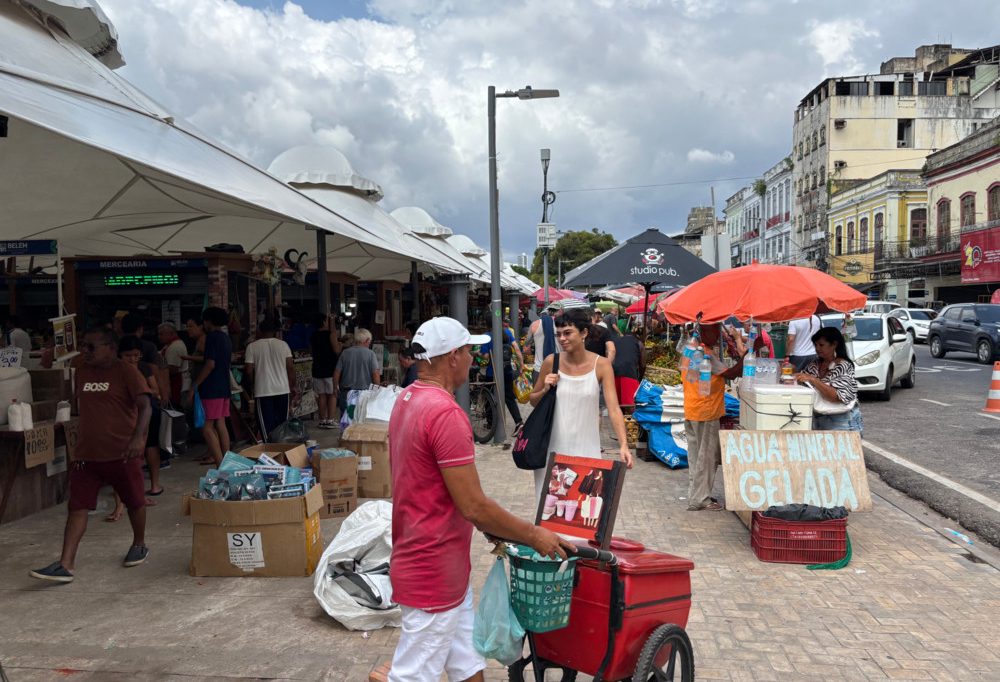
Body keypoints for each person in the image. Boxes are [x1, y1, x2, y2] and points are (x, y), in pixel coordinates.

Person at [385, 316, 569, 682]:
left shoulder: (407, 398)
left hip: (435, 563)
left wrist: (491, 528)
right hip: (432, 569)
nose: (474, 358)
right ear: (452, 356)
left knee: (468, 665)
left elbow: (439, 489)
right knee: (412, 675)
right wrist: (533, 535)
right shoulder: (445, 412)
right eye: (470, 350)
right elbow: (474, 505)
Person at [29, 326, 152, 583]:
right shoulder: (82, 372)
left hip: (122, 453)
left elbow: (145, 406)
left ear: (111, 348)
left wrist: (139, 438)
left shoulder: (126, 372)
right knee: (77, 506)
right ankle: (66, 564)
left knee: (135, 502)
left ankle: (139, 543)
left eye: (91, 346)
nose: (85, 351)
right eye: (83, 345)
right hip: (86, 454)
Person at [529, 308, 633, 501]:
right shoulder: (551, 362)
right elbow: (533, 400)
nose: (562, 339)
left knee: (581, 509)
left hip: (587, 449)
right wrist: (544, 388)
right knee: (548, 513)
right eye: (558, 334)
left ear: (584, 333)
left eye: (568, 333)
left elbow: (613, 408)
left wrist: (624, 445)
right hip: (552, 450)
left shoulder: (601, 365)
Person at [683, 323, 746, 511]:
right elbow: (733, 373)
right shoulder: (706, 355)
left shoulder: (690, 349)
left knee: (696, 457)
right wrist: (747, 354)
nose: (717, 334)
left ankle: (695, 495)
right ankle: (700, 499)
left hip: (692, 409)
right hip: (706, 411)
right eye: (714, 330)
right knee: (706, 458)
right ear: (705, 331)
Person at [111, 336, 164, 519]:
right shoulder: (115, 371)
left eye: (136, 355)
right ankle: (118, 505)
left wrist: (141, 389)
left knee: (139, 459)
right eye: (128, 356)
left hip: (142, 419)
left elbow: (156, 391)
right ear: (119, 355)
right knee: (120, 461)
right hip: (123, 420)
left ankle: (138, 496)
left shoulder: (143, 368)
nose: (132, 359)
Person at [795, 327, 863, 434]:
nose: (817, 348)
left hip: (842, 421)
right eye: (816, 345)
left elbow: (836, 397)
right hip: (819, 418)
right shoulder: (815, 364)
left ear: (834, 344)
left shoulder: (843, 366)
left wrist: (814, 380)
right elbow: (803, 381)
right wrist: (794, 372)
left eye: (821, 345)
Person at [244, 318, 296, 439]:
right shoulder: (283, 345)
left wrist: (253, 384)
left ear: (260, 331)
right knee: (282, 426)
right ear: (275, 331)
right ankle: (280, 452)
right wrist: (292, 386)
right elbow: (290, 368)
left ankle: (270, 453)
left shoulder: (252, 347)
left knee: (265, 427)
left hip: (263, 391)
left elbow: (248, 371)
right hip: (283, 390)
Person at [193, 307, 232, 467]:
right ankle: (227, 461)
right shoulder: (225, 338)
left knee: (207, 427)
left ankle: (220, 464)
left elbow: (210, 364)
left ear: (208, 321)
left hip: (212, 388)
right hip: (224, 387)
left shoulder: (212, 338)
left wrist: (194, 385)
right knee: (220, 423)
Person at [477, 319, 524, 432]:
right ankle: (519, 422)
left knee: (489, 397)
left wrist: (477, 353)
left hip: (492, 372)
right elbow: (516, 349)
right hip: (507, 371)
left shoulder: (487, 336)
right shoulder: (507, 332)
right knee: (509, 397)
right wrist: (521, 364)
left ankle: (490, 423)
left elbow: (486, 356)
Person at [334, 328, 380, 414]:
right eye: (369, 341)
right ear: (367, 340)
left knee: (346, 420)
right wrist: (376, 390)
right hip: (364, 394)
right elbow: (375, 374)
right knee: (361, 422)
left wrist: (335, 388)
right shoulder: (370, 354)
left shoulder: (345, 353)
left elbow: (337, 372)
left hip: (346, 393)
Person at [310, 314, 342, 429]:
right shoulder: (330, 334)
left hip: (317, 368)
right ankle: (330, 419)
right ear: (324, 322)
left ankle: (322, 419)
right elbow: (337, 350)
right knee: (332, 394)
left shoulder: (313, 336)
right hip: (330, 369)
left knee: (321, 395)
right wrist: (340, 344)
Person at [611, 325, 644, 407]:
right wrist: (640, 379)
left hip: (613, 373)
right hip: (629, 373)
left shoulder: (615, 341)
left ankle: (620, 418)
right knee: (630, 405)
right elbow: (643, 364)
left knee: (617, 404)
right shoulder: (638, 343)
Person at [158, 323, 189, 407]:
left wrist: (157, 371)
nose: (159, 337)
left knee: (174, 407)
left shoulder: (175, 347)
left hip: (175, 384)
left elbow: (173, 369)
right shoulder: (169, 345)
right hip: (172, 383)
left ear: (171, 333)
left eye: (161, 334)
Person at [524, 310, 558, 384]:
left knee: (538, 394)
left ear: (540, 316)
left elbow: (526, 346)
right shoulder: (559, 324)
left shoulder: (534, 325)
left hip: (539, 369)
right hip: (557, 368)